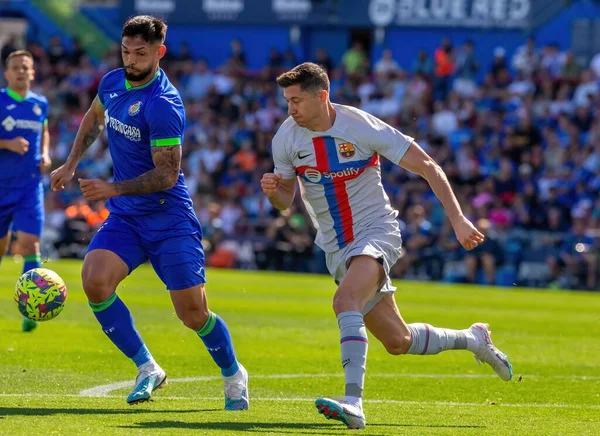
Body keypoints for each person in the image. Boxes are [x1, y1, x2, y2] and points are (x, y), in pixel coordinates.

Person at [261, 62, 513, 429]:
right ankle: (473, 339)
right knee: (398, 340)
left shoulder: (361, 126)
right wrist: (274, 192)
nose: (291, 109)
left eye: (297, 100)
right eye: (287, 101)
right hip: (335, 247)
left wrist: (458, 219)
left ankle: (353, 403)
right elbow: (284, 202)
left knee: (344, 302)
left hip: (376, 231)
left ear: (322, 96)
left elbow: (427, 165)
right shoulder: (286, 138)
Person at [50, 15, 248, 409]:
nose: (131, 59)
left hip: (168, 218)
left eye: (141, 53)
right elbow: (94, 117)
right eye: (126, 51)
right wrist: (71, 164)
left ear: (160, 52)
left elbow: (167, 173)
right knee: (95, 280)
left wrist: (111, 187)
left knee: (193, 314)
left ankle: (233, 374)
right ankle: (147, 368)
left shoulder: (163, 105)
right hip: (127, 217)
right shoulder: (111, 82)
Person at [0, 50, 51, 333]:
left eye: (26, 67)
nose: (21, 71)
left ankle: (31, 308)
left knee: (31, 245)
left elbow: (44, 132)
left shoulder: (40, 103)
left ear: (32, 73)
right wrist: (7, 145)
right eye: (15, 67)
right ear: (7, 73)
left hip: (29, 186)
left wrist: (44, 154)